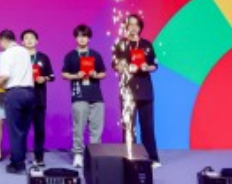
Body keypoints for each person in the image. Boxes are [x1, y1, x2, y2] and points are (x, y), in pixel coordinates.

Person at [113, 14, 160, 168]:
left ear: (140, 27)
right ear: (126, 27)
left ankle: (152, 158)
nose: (133, 27)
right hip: (127, 91)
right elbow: (115, 66)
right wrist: (125, 67)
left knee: (148, 127)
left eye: (136, 24)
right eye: (130, 24)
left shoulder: (146, 44)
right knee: (128, 128)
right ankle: (129, 159)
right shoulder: (121, 44)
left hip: (145, 91)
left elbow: (154, 65)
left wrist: (147, 67)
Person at [61, 24, 107, 168]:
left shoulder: (95, 55)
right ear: (75, 38)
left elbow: (103, 73)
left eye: (85, 36)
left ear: (89, 38)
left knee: (96, 128)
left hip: (96, 95)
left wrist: (95, 74)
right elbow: (64, 74)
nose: (82, 39)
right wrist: (76, 75)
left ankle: (94, 155)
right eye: (79, 36)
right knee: (79, 127)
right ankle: (78, 154)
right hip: (79, 95)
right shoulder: (70, 56)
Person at [0, 30, 36, 175]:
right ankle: (20, 158)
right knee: (23, 129)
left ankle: (17, 164)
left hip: (14, 93)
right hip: (30, 93)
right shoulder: (25, 51)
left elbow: (5, 76)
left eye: (0, 42)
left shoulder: (6, 54)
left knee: (14, 130)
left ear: (3, 40)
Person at [22, 29, 55, 170]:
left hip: (39, 98)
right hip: (23, 99)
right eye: (26, 38)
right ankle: (21, 156)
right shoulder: (19, 57)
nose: (29, 40)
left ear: (37, 41)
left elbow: (52, 76)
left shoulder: (43, 58)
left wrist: (44, 78)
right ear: (22, 42)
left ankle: (39, 157)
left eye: (32, 38)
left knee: (39, 130)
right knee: (22, 130)